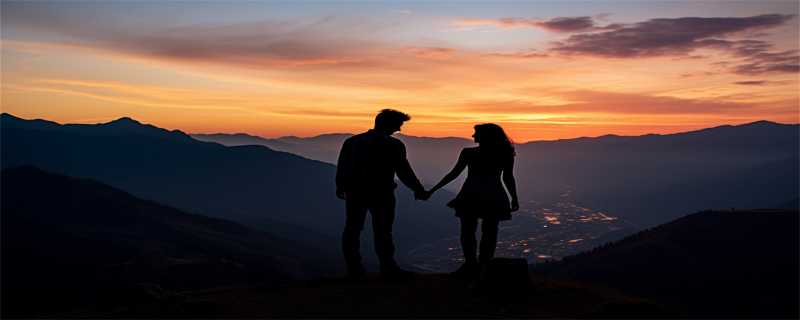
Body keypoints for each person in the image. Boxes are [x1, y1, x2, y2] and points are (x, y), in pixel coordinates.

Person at [335, 109, 430, 279]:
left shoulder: (351, 141)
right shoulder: (391, 144)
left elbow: (342, 165)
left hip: (354, 193)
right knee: (383, 232)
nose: (399, 129)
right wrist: (418, 189)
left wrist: (340, 186)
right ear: (388, 124)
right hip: (381, 193)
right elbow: (403, 170)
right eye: (398, 125)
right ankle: (388, 268)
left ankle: (353, 268)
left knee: (352, 229)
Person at [426, 123, 519, 278]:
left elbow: (454, 174)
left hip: (471, 193)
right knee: (490, 231)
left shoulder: (469, 153)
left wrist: (433, 190)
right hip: (494, 195)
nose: (473, 136)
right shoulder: (505, 154)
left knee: (467, 230)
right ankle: (484, 265)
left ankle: (471, 264)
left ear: (485, 136)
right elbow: (508, 177)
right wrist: (514, 197)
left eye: (476, 133)